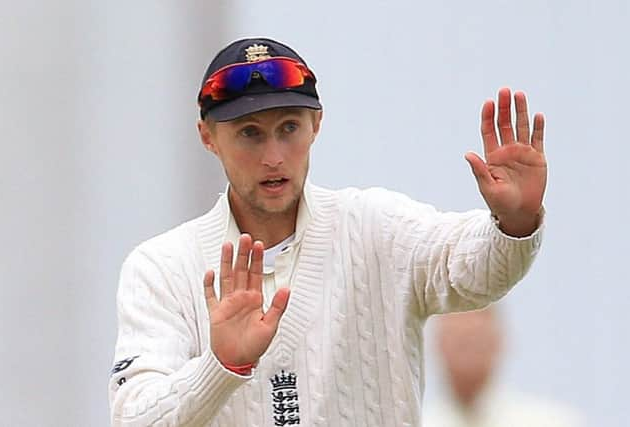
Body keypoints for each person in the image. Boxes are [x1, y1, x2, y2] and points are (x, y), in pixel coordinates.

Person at [108, 37, 547, 426]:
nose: (274, 156)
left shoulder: (375, 226)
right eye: (249, 134)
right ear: (207, 136)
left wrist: (516, 222)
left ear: (317, 124)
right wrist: (220, 366)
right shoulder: (162, 267)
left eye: (289, 128)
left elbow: (471, 275)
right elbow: (134, 418)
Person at [424, 306, 584, 427]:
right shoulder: (416, 422)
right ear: (436, 344)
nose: (468, 354)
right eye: (459, 342)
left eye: (476, 340)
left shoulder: (554, 422)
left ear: (499, 342)